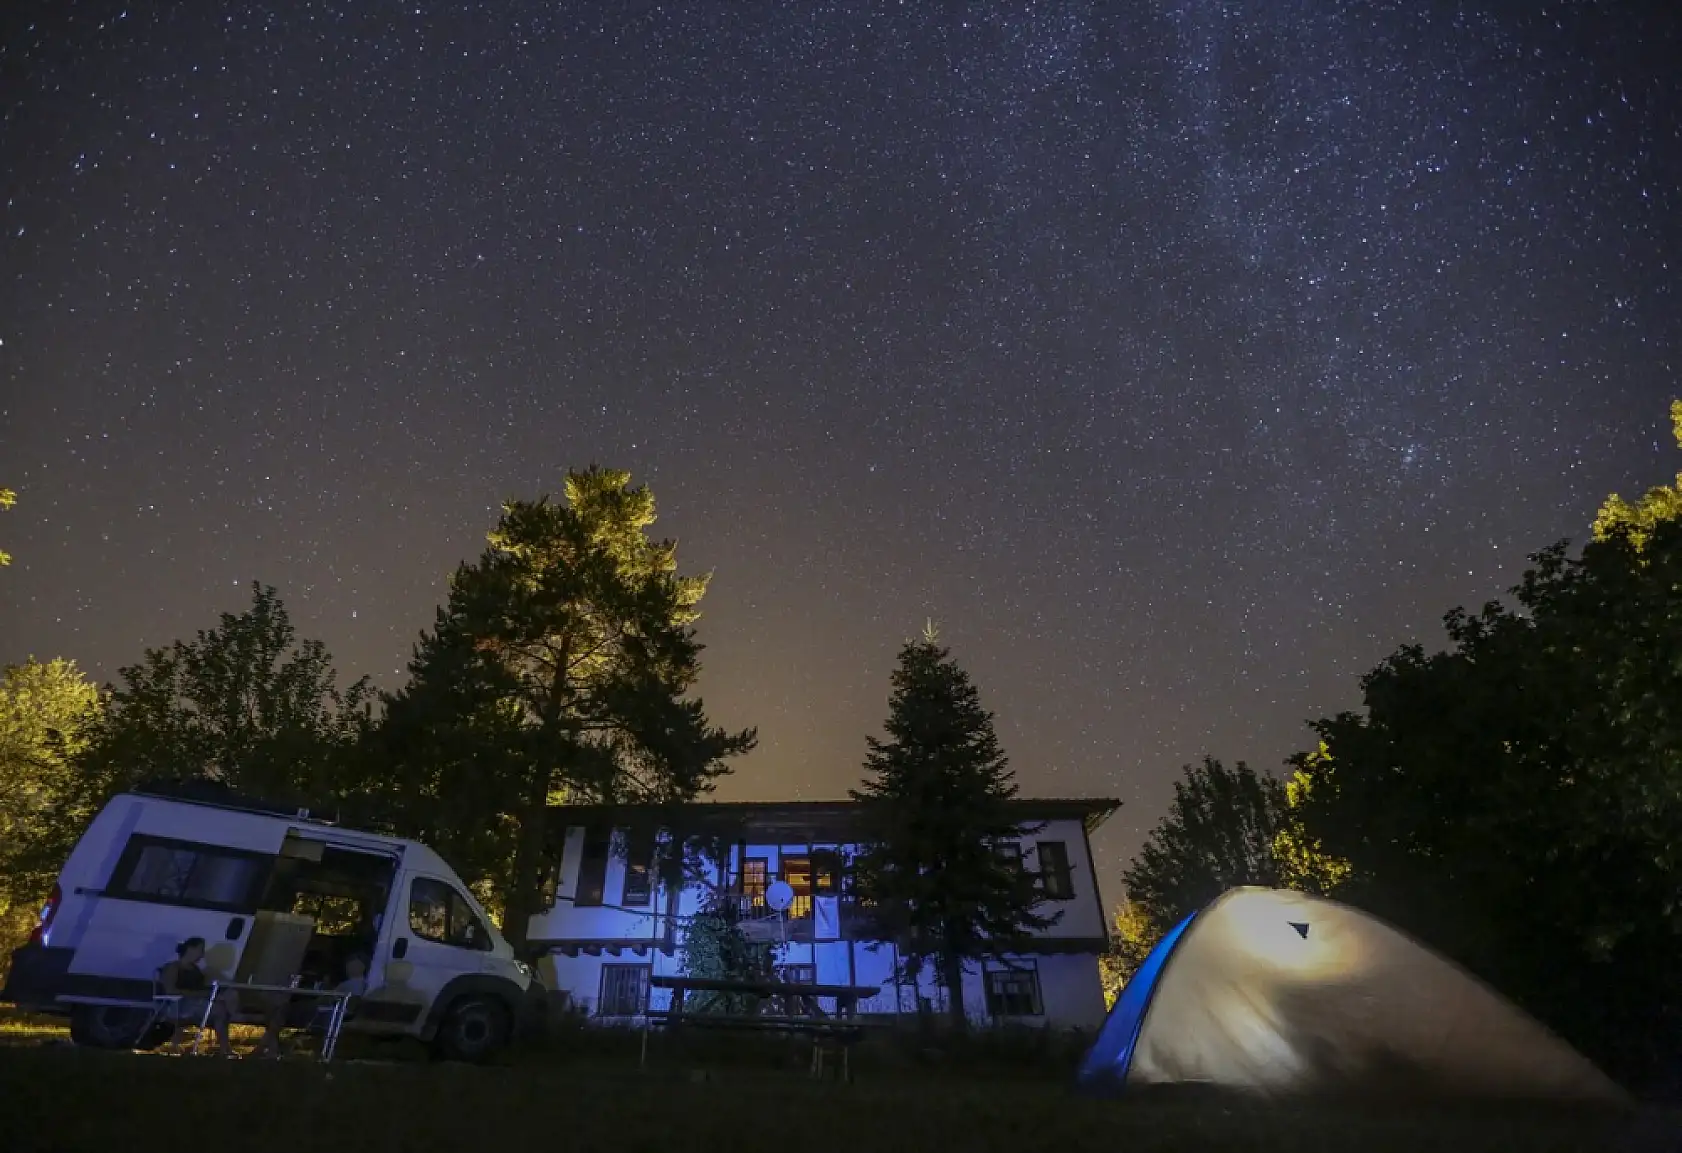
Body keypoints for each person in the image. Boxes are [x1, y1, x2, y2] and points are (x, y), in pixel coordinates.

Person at [253, 954, 368, 1059]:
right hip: (329, 1013)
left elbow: (327, 999)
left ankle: (268, 1046)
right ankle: (270, 1045)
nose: (348, 967)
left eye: (351, 964)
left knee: (283, 1009)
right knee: (280, 1010)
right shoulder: (362, 984)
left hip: (326, 1014)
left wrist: (320, 994)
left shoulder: (351, 984)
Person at [157, 937, 234, 1057]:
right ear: (190, 949)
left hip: (195, 1004)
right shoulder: (173, 967)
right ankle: (225, 1048)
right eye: (201, 950)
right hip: (178, 1005)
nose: (202, 955)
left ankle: (224, 1049)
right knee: (220, 1011)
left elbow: (200, 989)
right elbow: (170, 991)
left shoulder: (196, 970)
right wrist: (200, 995)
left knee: (221, 1012)